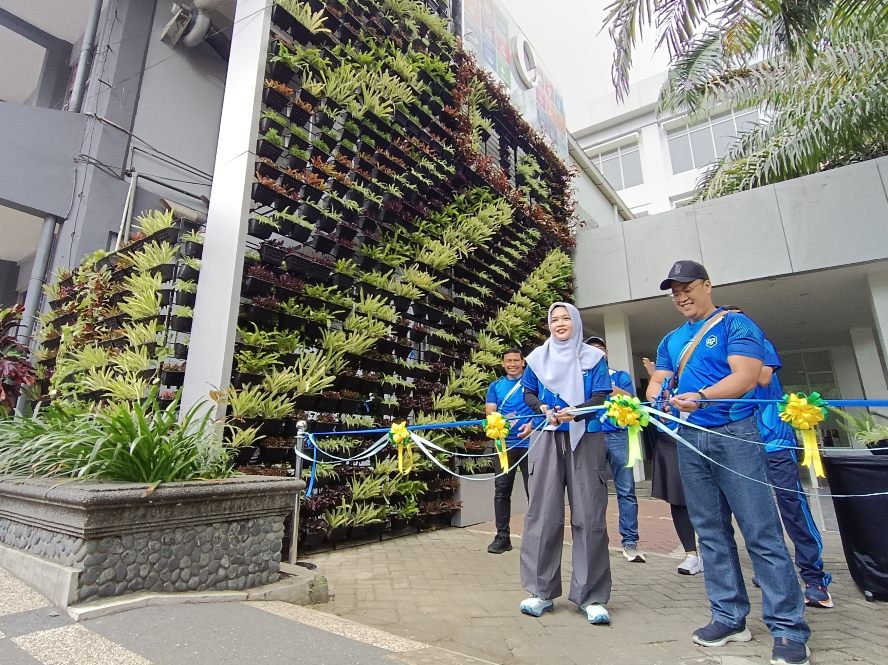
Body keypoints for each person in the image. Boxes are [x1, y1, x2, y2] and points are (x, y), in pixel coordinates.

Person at [646, 260, 810, 665]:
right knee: (711, 532)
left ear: (707, 285)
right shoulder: (670, 339)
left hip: (735, 436)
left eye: (687, 288)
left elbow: (747, 377)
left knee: (761, 532)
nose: (681, 296)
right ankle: (729, 617)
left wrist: (700, 396)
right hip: (689, 439)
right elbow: (658, 379)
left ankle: (789, 629)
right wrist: (655, 394)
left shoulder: (737, 326)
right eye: (674, 292)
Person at [721, 307, 833, 608]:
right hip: (740, 442)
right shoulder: (717, 347)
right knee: (753, 513)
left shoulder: (756, 342)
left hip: (774, 441)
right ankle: (771, 571)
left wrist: (728, 370)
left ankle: (814, 576)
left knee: (792, 508)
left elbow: (762, 376)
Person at [518, 302, 613, 625]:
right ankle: (540, 591)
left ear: (575, 323)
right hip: (547, 434)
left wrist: (579, 410)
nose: (560, 324)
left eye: (565, 319)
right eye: (554, 319)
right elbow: (528, 393)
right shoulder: (536, 358)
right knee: (543, 514)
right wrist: (543, 406)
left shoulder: (594, 358)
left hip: (585, 435)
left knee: (589, 514)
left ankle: (592, 596)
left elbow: (603, 395)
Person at [585, 336, 645, 563]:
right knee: (592, 492)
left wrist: (606, 386)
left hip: (619, 436)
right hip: (592, 436)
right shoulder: (582, 377)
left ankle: (630, 542)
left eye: (600, 349)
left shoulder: (620, 375)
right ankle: (595, 542)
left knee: (626, 490)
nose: (596, 353)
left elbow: (630, 397)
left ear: (606, 352)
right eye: (591, 349)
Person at [642, 356, 703, 575]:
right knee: (678, 499)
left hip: (703, 438)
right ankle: (691, 554)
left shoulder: (704, 376)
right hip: (671, 441)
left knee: (712, 500)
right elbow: (653, 396)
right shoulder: (664, 381)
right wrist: (659, 396)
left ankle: (714, 550)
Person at [484, 348, 534, 555]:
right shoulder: (496, 386)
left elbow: (541, 407)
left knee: (535, 491)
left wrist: (531, 423)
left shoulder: (533, 384)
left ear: (523, 362)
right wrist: (498, 423)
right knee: (502, 490)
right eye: (508, 361)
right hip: (505, 445)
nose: (512, 364)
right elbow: (490, 410)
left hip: (532, 443)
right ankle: (502, 537)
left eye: (516, 360)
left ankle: (535, 538)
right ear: (503, 364)